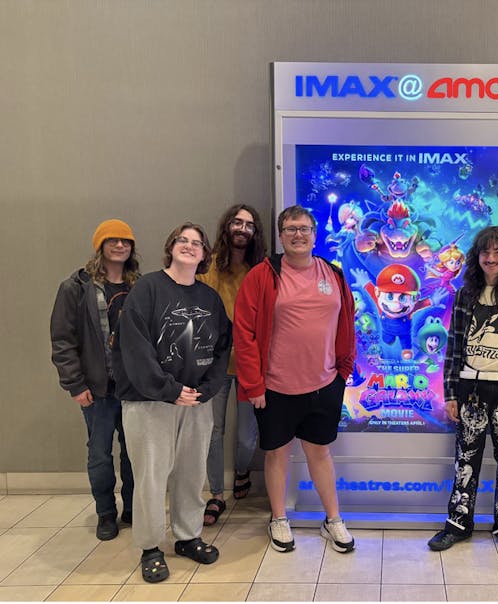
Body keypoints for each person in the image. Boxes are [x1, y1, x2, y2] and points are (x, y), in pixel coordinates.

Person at [113, 222, 231, 583]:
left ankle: (187, 535)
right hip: (151, 403)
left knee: (192, 473)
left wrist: (207, 390)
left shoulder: (209, 298)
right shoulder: (147, 289)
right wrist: (167, 389)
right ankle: (150, 546)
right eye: (183, 240)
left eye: (197, 243)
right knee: (150, 476)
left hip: (195, 402)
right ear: (171, 247)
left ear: (204, 255)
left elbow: (222, 347)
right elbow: (134, 347)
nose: (190, 246)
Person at [234, 205, 356, 554]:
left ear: (314, 234)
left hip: (324, 385)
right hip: (275, 388)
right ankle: (278, 518)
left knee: (320, 453)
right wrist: (254, 385)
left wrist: (343, 372)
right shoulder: (262, 275)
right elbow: (244, 333)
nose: (298, 234)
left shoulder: (333, 274)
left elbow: (347, 319)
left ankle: (332, 519)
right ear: (280, 235)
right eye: (290, 229)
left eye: (304, 228)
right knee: (277, 454)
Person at [427, 226, 498, 560]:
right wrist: (451, 392)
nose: (491, 259)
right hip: (470, 391)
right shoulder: (465, 294)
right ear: (477, 257)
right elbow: (452, 348)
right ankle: (457, 523)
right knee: (465, 460)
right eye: (485, 253)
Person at [50, 219, 140, 541]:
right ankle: (106, 512)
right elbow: (62, 340)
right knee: (100, 453)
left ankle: (132, 508)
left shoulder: (138, 286)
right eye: (112, 240)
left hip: (133, 390)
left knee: (134, 453)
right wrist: (75, 384)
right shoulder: (76, 287)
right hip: (96, 390)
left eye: (125, 241)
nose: (120, 246)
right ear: (100, 245)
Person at [198, 204, 265, 526]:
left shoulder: (261, 270)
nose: (242, 229)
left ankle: (241, 470)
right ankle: (214, 494)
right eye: (237, 222)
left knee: (247, 438)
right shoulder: (207, 266)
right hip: (214, 367)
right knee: (213, 431)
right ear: (227, 226)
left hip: (251, 365)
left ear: (255, 233)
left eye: (249, 225)